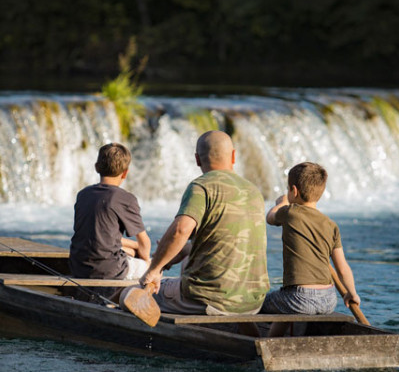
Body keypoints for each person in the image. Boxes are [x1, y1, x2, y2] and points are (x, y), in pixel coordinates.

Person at [138, 130, 269, 317]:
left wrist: (153, 270)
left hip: (210, 300)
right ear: (233, 156)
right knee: (188, 253)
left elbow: (180, 231)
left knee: (128, 294)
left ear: (197, 159)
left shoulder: (202, 187)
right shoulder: (253, 191)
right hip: (253, 302)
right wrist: (165, 258)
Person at [262, 162, 360, 336]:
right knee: (284, 305)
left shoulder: (290, 212)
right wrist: (351, 293)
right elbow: (342, 268)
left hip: (298, 298)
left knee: (259, 303)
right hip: (328, 300)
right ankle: (272, 340)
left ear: (294, 190)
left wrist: (281, 202)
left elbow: (270, 217)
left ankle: (261, 343)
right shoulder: (331, 225)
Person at [69, 143, 151, 282]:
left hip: (78, 266)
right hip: (109, 270)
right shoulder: (126, 199)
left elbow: (100, 235)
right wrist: (146, 263)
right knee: (155, 268)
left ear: (96, 167)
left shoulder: (83, 194)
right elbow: (145, 244)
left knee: (131, 252)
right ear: (125, 173)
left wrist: (134, 248)